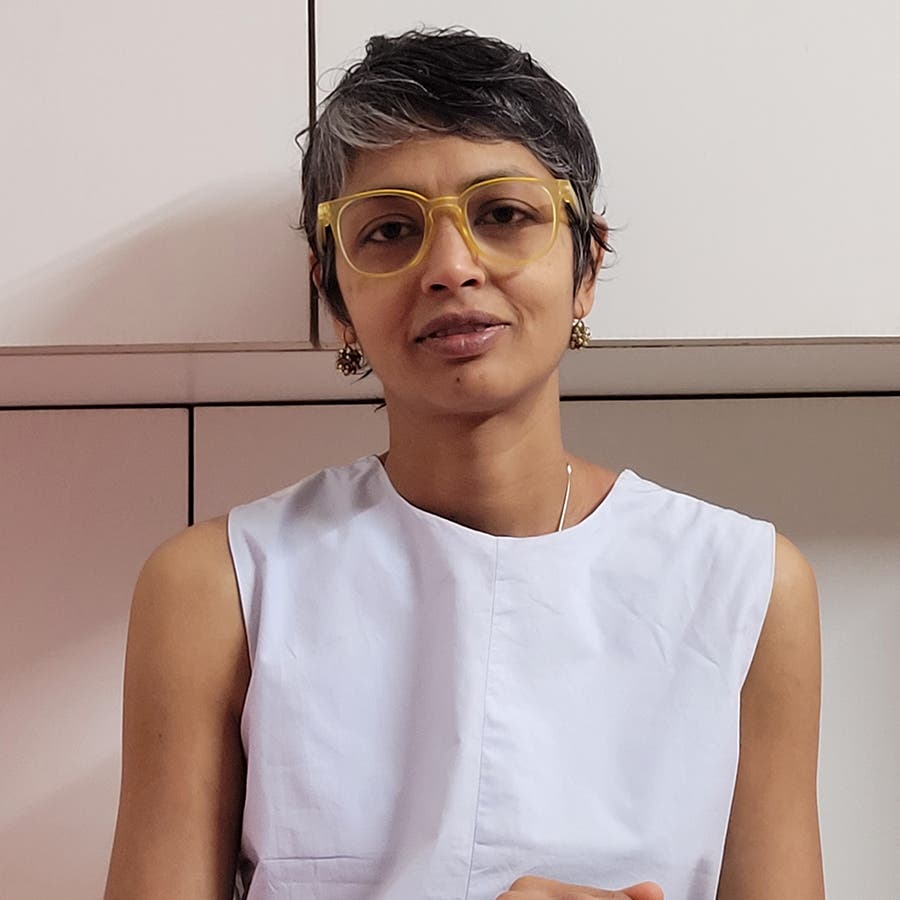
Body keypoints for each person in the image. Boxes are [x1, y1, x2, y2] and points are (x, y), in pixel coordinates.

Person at [103, 27, 825, 900]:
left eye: (504, 215)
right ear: (333, 293)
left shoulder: (747, 586)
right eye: (391, 230)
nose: (450, 268)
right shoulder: (216, 586)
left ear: (586, 263)